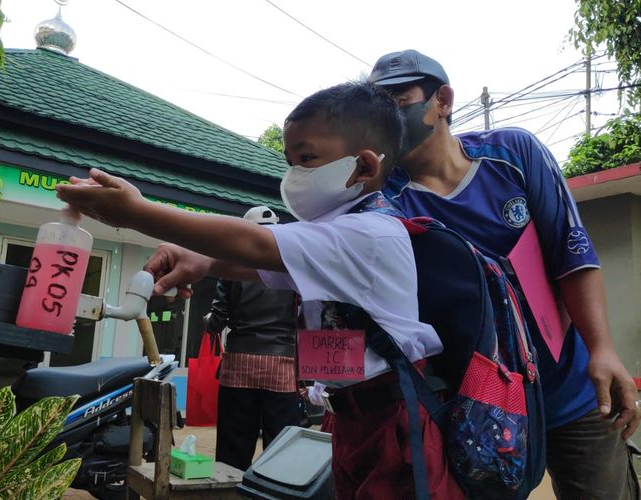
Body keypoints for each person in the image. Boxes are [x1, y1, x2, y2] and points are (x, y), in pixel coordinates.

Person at [56, 81, 464, 499]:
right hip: (350, 415)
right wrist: (205, 260)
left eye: (307, 158)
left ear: (363, 166)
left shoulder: (369, 233)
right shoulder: (336, 234)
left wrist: (138, 214)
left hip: (393, 423)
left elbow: (256, 244)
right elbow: (259, 265)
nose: (293, 175)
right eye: (290, 161)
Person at [369, 48, 641, 499]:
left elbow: (571, 253)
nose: (390, 116)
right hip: (481, 407)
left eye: (400, 99)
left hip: (571, 389)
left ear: (443, 100)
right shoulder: (384, 202)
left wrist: (603, 350)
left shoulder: (513, 154)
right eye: (378, 107)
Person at [204, 205, 301, 471]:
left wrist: (209, 323)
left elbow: (218, 318)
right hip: (283, 363)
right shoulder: (291, 265)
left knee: (234, 441)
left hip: (240, 361)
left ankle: (227, 490)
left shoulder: (232, 265)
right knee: (281, 443)